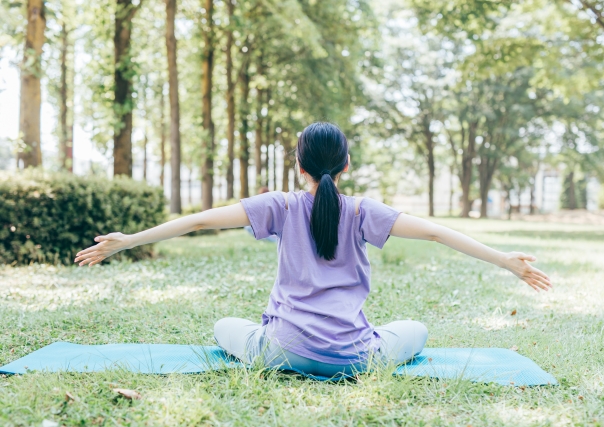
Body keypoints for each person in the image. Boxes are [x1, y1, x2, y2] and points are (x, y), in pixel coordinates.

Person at [74, 122, 552, 378]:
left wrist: (129, 242)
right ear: (346, 164)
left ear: (298, 164)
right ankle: (365, 338)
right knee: (417, 330)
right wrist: (505, 261)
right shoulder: (365, 211)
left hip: (282, 353)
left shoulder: (278, 206)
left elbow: (200, 221)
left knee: (224, 327)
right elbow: (437, 233)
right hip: (356, 358)